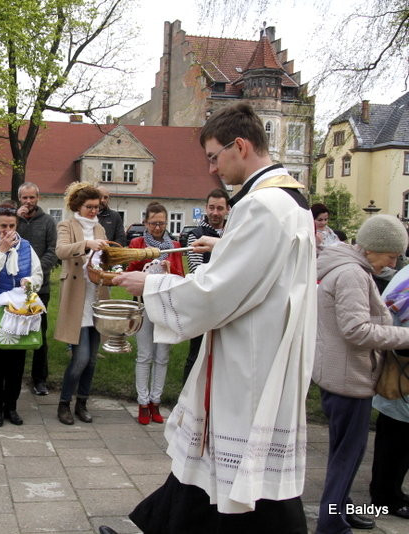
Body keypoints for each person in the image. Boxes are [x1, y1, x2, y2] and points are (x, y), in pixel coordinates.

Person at [109, 102, 317, 533]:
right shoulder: (290, 201)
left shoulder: (261, 206)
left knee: (247, 481)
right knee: (212, 467)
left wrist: (149, 287)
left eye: (213, 156)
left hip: (249, 360)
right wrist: (222, 248)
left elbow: (219, 291)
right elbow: (267, 273)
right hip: (262, 346)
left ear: (239, 145)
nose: (210, 169)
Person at [313, 214, 409, 533]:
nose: (393, 263)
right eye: (391, 255)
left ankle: (338, 513)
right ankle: (332, 525)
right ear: (373, 248)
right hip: (348, 379)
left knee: (346, 454)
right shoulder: (352, 273)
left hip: (342, 374)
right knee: (347, 456)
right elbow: (356, 330)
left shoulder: (346, 266)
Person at [0, 203, 43, 427]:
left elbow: (38, 275)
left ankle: (11, 406)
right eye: (3, 226)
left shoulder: (26, 247)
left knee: (15, 364)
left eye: (12, 226)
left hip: (18, 314)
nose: (7, 231)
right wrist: (0, 253)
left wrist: (30, 283)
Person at [54, 183, 109, 425]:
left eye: (97, 207)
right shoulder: (66, 225)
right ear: (78, 205)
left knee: (93, 359)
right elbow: (61, 251)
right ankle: (64, 404)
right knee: (80, 358)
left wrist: (110, 257)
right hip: (76, 297)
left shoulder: (100, 228)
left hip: (96, 296)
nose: (94, 211)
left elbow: (106, 258)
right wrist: (86, 245)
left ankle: (82, 403)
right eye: (89, 207)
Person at [125, 202, 185, 425]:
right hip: (144, 305)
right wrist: (145, 268)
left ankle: (155, 401)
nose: (158, 228)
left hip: (166, 306)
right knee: (145, 355)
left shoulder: (175, 245)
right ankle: (142, 402)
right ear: (145, 223)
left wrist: (170, 271)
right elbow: (130, 272)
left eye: (161, 223)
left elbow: (181, 276)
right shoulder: (137, 243)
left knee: (162, 356)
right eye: (153, 223)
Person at [371, 263, 409, 520]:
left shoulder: (405, 273)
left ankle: (388, 493)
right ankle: (386, 498)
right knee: (397, 440)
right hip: (401, 375)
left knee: (395, 437)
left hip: (396, 374)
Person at [183, 188, 230, 383]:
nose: (215, 213)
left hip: (227, 302)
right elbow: (197, 269)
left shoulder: (235, 232)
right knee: (196, 352)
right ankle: (186, 396)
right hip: (203, 300)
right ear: (205, 208)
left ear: (227, 209)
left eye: (220, 208)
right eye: (211, 207)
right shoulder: (196, 234)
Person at [15, 182, 57, 397]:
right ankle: (15, 375)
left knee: (39, 334)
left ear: (38, 198)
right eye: (24, 198)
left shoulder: (48, 221)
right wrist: (17, 219)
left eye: (32, 198)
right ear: (19, 199)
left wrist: (36, 273)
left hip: (41, 287)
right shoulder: (14, 221)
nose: (28, 202)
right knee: (16, 330)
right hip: (15, 288)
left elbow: (53, 251)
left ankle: (40, 379)